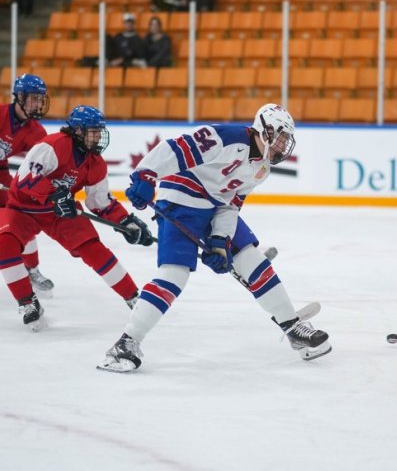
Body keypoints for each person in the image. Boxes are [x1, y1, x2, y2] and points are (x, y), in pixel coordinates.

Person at [98, 103, 331, 372]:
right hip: (180, 201)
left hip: (212, 208)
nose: (282, 146)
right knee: (174, 275)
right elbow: (176, 148)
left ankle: (291, 326)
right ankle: (126, 343)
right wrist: (146, 174)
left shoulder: (262, 169)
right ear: (264, 130)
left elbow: (229, 205)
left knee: (253, 260)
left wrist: (220, 241)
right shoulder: (226, 138)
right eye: (279, 137)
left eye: (285, 140)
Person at [0, 105, 153, 331]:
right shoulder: (52, 146)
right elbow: (24, 181)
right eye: (93, 131)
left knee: (92, 248)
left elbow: (100, 202)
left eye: (100, 131)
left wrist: (125, 221)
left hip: (60, 212)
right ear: (78, 131)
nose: (98, 136)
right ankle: (27, 302)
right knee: (4, 244)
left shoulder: (95, 162)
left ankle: (133, 297)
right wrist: (54, 195)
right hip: (24, 208)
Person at [0, 73, 54, 295]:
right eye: (33, 98)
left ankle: (31, 268)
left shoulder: (36, 131)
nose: (38, 103)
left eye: (41, 99)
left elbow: (44, 163)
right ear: (19, 97)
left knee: (20, 213)